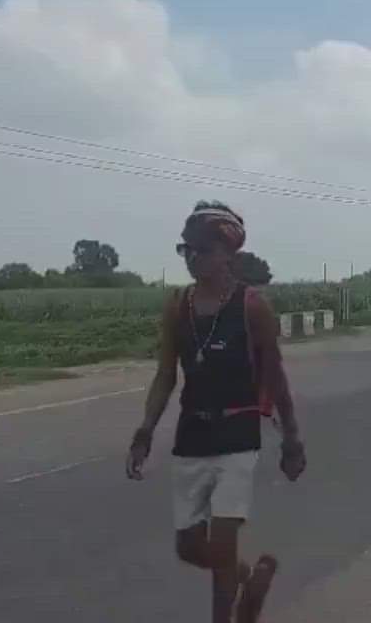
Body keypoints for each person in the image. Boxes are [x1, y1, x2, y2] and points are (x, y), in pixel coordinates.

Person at [126, 201, 306, 623]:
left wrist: (292, 438)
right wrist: (145, 429)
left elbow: (275, 375)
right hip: (193, 436)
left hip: (237, 436)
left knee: (223, 541)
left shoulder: (252, 307)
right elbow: (166, 375)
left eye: (201, 250)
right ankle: (245, 578)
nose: (192, 258)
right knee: (189, 547)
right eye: (185, 249)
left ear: (227, 253)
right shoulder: (177, 306)